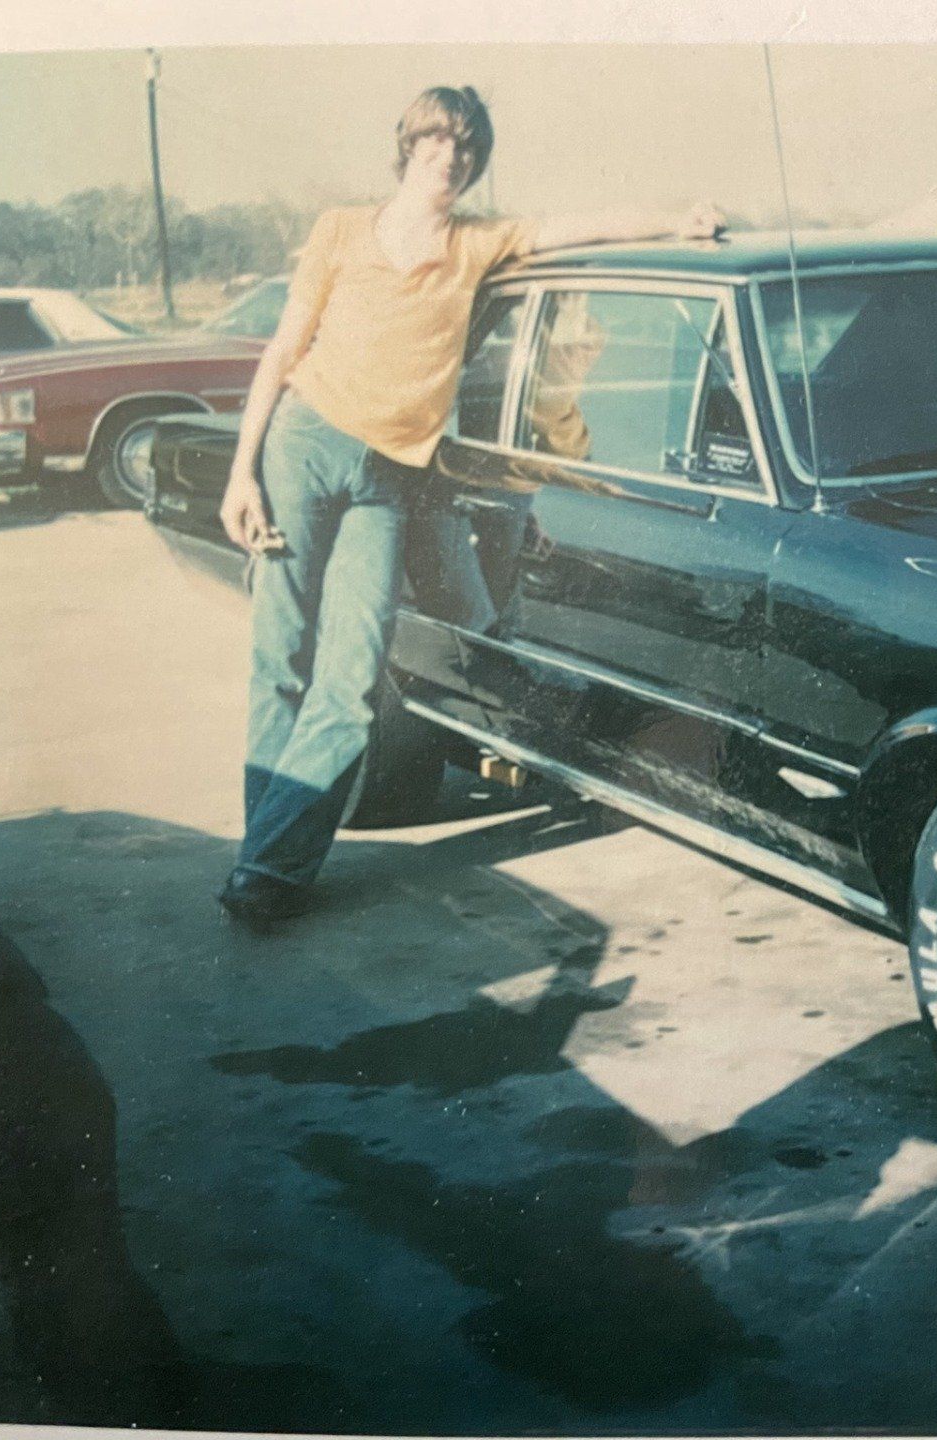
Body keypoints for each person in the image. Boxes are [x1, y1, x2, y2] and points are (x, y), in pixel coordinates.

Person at [215, 85, 721, 925]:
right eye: (436, 140)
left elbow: (577, 228)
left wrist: (678, 220)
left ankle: (266, 862)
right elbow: (281, 350)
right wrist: (242, 475)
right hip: (303, 445)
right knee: (281, 660)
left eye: (465, 147)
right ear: (408, 146)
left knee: (348, 680)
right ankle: (265, 866)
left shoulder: (479, 243)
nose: (450, 157)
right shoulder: (341, 229)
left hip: (390, 480)